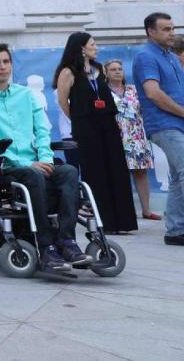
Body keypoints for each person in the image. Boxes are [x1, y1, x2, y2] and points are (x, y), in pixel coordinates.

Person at [0, 44, 88, 272]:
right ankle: (45, 247)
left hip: (37, 161)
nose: (3, 67)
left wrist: (47, 159)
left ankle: (67, 241)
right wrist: (28, 163)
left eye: (6, 61)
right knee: (33, 174)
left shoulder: (27, 95)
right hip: (6, 166)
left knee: (69, 172)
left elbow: (42, 130)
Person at [54, 32, 138, 234]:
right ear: (81, 47)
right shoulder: (68, 72)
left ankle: (123, 221)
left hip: (108, 123)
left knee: (116, 169)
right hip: (86, 127)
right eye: (92, 44)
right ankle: (105, 221)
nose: (96, 47)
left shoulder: (98, 69)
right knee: (96, 172)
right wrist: (78, 119)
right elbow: (63, 101)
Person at [133, 13, 184, 246]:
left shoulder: (171, 57)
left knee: (176, 176)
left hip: (177, 122)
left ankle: (175, 230)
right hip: (165, 124)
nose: (171, 32)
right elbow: (153, 93)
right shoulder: (145, 56)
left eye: (172, 28)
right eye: (165, 29)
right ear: (150, 32)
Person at [105, 59, 158, 221]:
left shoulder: (134, 90)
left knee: (141, 172)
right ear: (106, 73)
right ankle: (123, 212)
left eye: (120, 68)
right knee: (118, 174)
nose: (117, 71)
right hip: (115, 137)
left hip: (136, 136)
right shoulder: (103, 92)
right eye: (113, 69)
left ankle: (147, 210)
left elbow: (146, 110)